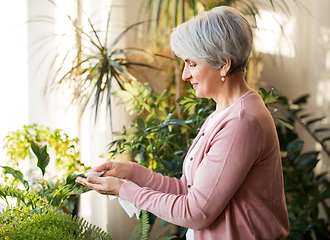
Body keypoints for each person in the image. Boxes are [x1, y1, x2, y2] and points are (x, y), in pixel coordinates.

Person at [76, 6, 289, 240]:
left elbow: (195, 212)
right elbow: (187, 191)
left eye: (192, 64)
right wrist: (131, 172)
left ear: (224, 65)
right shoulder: (225, 113)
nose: (184, 75)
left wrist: (123, 189)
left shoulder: (241, 123)